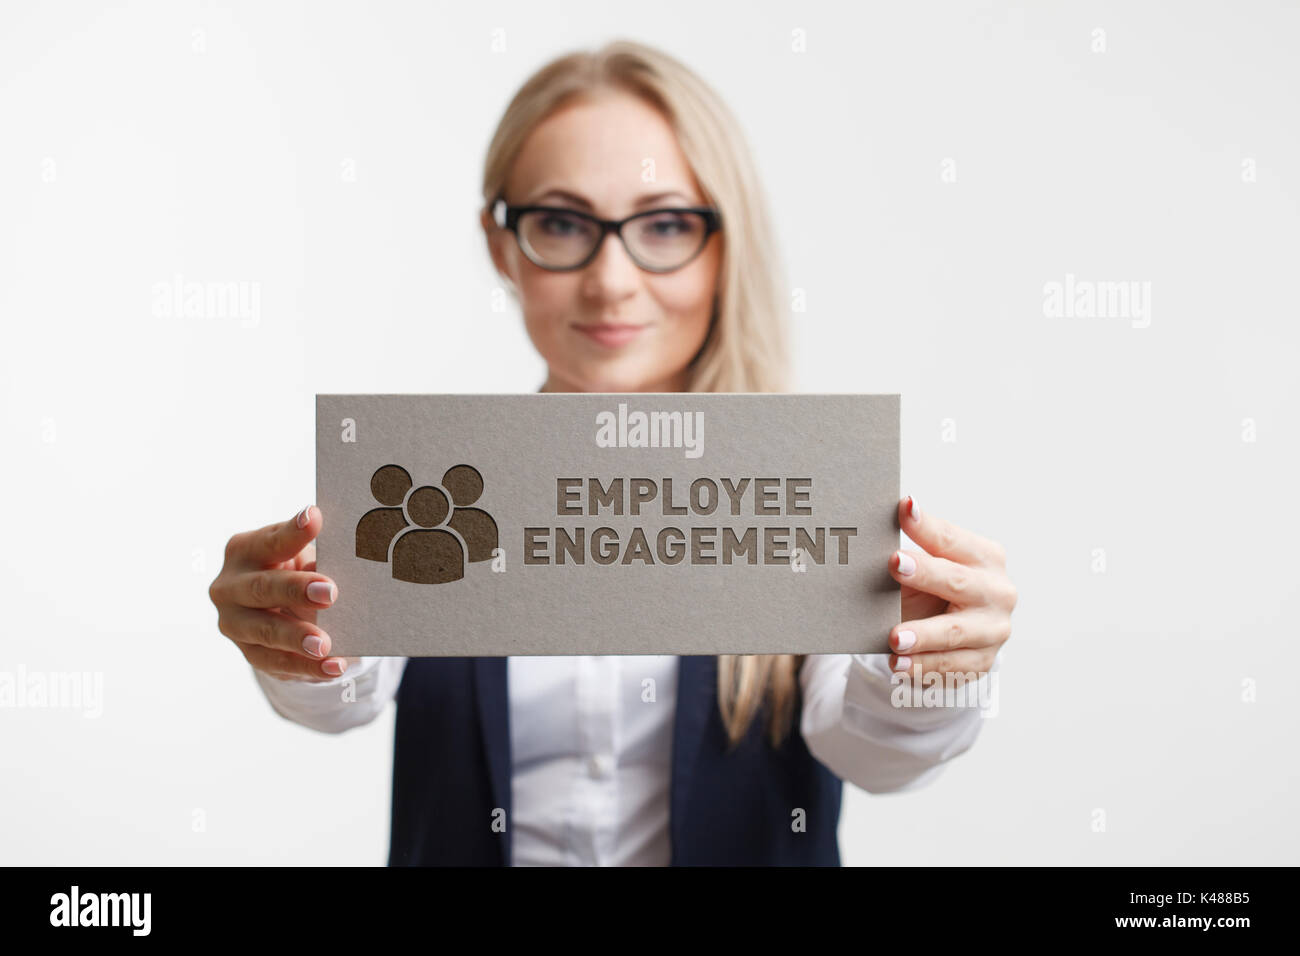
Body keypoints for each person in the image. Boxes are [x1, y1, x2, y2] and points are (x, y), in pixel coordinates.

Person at [207, 40, 1018, 866]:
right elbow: (343, 695)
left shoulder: (805, 489)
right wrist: (295, 631)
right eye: (561, 222)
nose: (611, 280)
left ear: (723, 246)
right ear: (502, 247)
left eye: (664, 224)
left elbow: (874, 751)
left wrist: (931, 662)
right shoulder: (430, 477)